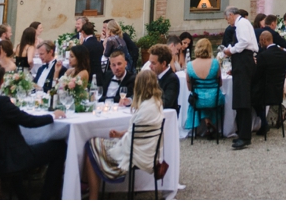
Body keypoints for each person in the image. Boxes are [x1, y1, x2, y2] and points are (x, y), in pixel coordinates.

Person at [0, 65, 66, 198]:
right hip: (11, 161)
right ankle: (48, 197)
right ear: (1, 83)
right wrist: (53, 116)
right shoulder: (2, 103)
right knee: (60, 147)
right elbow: (29, 121)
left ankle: (21, 195)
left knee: (11, 149)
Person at [83, 68, 167, 198]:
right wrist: (119, 134)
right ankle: (101, 190)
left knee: (91, 144)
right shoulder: (157, 104)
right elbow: (138, 132)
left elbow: (133, 135)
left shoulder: (144, 109)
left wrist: (120, 137)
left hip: (135, 155)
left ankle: (92, 196)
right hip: (150, 153)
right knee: (97, 144)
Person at [224, 6, 259, 149]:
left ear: (231, 15)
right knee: (240, 97)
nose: (228, 22)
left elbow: (244, 42)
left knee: (243, 98)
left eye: (227, 18)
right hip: (242, 62)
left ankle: (245, 136)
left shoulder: (241, 24)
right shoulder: (242, 24)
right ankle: (242, 133)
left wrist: (230, 50)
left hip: (244, 60)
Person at [184, 37, 223, 136]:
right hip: (214, 99)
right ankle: (213, 125)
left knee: (200, 97)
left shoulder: (189, 65)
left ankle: (207, 123)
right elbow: (220, 83)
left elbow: (189, 88)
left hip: (198, 100)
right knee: (215, 98)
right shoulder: (215, 63)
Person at [254, 29, 286, 132]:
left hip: (265, 93)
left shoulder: (263, 55)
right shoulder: (284, 54)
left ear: (264, 40)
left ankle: (262, 122)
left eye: (260, 41)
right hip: (278, 90)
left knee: (248, 96)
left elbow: (257, 75)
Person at [147, 44, 180, 112]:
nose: (150, 66)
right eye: (150, 63)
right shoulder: (153, 75)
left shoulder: (172, 79)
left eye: (153, 63)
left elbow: (167, 102)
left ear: (163, 64)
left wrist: (147, 103)